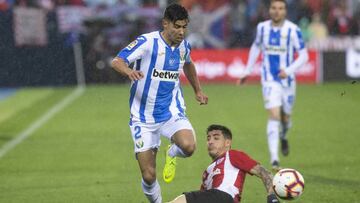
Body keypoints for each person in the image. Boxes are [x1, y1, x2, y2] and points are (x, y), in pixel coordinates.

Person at [111, 4, 208, 203]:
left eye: (184, 27)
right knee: (148, 175)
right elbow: (117, 61)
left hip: (171, 111)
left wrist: (197, 90)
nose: (181, 32)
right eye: (177, 27)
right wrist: (129, 72)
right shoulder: (147, 42)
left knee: (189, 147)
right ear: (165, 23)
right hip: (143, 117)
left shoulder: (183, 46)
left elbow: (188, 64)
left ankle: (171, 151)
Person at [238, 0, 309, 170]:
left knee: (285, 119)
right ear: (269, 10)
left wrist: (289, 70)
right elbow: (256, 48)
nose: (277, 11)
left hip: (288, 81)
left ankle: (284, 136)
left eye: (281, 8)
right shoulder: (262, 28)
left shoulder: (293, 29)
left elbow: (304, 55)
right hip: (269, 79)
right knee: (274, 115)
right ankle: (274, 159)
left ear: (285, 11)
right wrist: (247, 71)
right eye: (274, 8)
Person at [168, 124, 280, 203]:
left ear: (227, 143)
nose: (210, 141)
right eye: (208, 138)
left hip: (223, 197)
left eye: (216, 138)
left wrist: (272, 196)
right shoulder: (207, 171)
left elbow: (264, 172)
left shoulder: (232, 155)